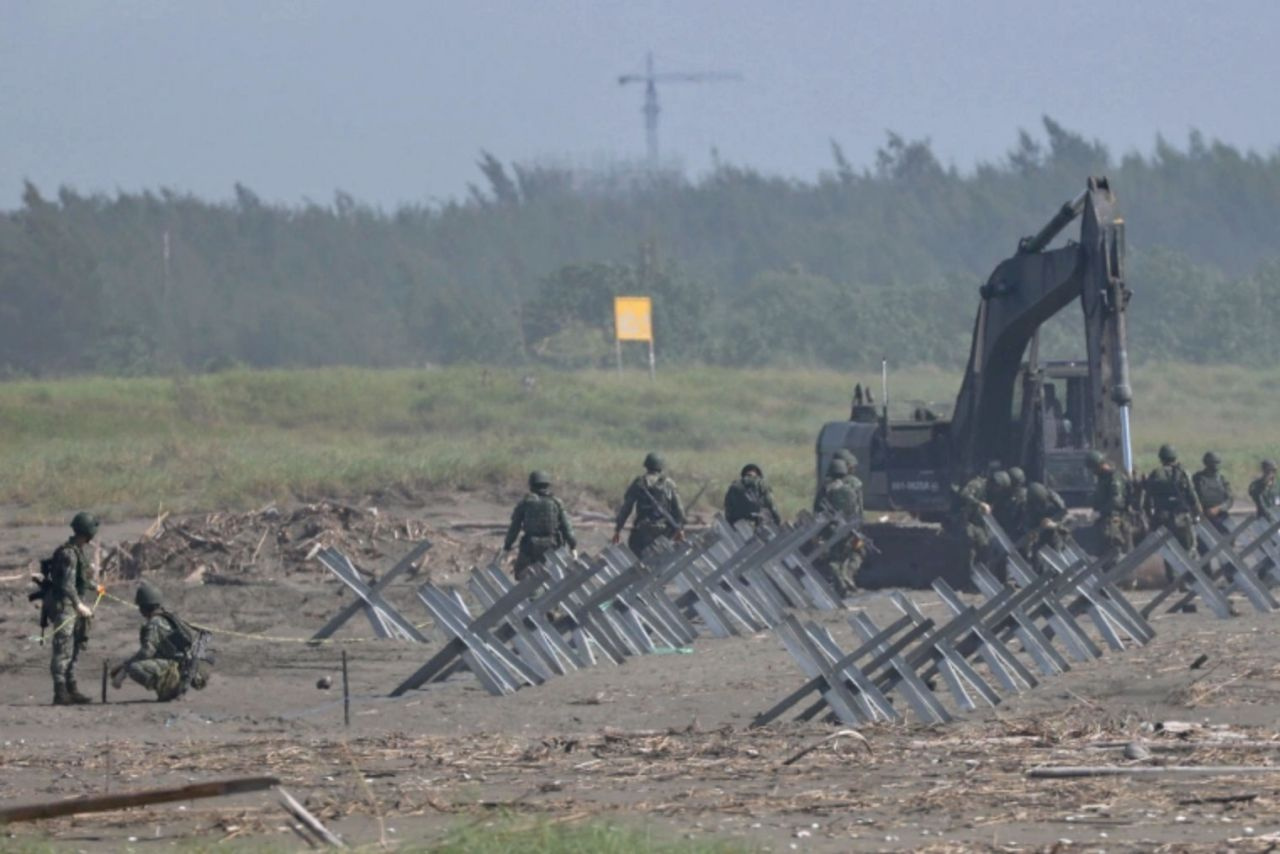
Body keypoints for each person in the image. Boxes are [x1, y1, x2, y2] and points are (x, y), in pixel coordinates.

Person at [111, 582, 209, 702]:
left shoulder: (154, 623)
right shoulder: (169, 617)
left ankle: (168, 690)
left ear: (144, 606)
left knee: (133, 667)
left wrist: (124, 668)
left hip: (176, 666)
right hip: (182, 666)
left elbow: (147, 652)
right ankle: (173, 687)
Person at [42, 512, 99, 705]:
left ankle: (71, 688)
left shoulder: (77, 551)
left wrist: (94, 587)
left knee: (75, 647)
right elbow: (67, 584)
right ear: (88, 532)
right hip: (64, 607)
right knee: (63, 649)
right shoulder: (68, 553)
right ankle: (60, 692)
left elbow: (79, 578)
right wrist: (79, 605)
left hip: (73, 607)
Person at [503, 470, 577, 580]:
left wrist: (507, 546)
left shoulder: (525, 503)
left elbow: (515, 527)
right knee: (556, 575)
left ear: (531, 484)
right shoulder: (556, 502)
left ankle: (532, 595)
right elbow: (566, 527)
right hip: (553, 545)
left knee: (522, 574)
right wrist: (573, 545)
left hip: (530, 546)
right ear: (548, 485)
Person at [613, 452, 685, 557]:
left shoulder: (639, 482)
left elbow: (626, 508)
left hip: (642, 530)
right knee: (661, 560)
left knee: (638, 559)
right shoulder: (669, 484)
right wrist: (680, 529)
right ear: (661, 467)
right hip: (664, 531)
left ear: (646, 465)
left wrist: (618, 529)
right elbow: (679, 510)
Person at [812, 458, 865, 594]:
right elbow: (858, 509)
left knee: (833, 558)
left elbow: (817, 509)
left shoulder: (826, 487)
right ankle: (847, 576)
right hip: (849, 528)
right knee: (856, 553)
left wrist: (818, 533)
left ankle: (841, 582)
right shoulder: (852, 487)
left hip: (831, 529)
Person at [1142, 444, 1203, 558]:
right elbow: (1192, 495)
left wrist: (1151, 518)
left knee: (1168, 551)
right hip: (1181, 517)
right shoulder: (1183, 473)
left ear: (1161, 458)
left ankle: (1172, 574)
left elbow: (1147, 498)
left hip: (1162, 516)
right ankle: (1190, 573)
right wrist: (1197, 512)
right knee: (1190, 548)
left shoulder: (1155, 474)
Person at [954, 469, 1011, 571]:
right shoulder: (977, 484)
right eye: (998, 487)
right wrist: (979, 504)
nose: (999, 490)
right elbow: (964, 494)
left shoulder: (993, 494)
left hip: (980, 524)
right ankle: (969, 577)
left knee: (985, 547)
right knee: (969, 546)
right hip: (966, 521)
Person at [1085, 451, 1133, 555]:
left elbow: (1117, 501)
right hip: (1105, 521)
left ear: (1099, 466)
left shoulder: (1114, 477)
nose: (1093, 472)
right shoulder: (1103, 479)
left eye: (1093, 468)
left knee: (1117, 554)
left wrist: (1101, 512)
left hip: (1115, 522)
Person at [1022, 482, 1069, 565]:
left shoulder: (1053, 504)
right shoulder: (1030, 507)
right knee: (1037, 560)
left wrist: (1054, 525)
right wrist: (1031, 532)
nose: (1038, 506)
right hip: (1040, 538)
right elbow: (1028, 523)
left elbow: (1064, 515)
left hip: (1056, 535)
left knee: (1058, 559)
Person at [723, 463, 782, 529]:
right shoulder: (761, 483)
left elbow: (727, 508)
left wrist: (730, 524)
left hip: (737, 524)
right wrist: (778, 521)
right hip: (756, 522)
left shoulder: (734, 486)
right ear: (758, 474)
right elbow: (771, 504)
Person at [1193, 451, 1234, 533]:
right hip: (1203, 516)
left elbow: (1230, 499)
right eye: (1213, 463)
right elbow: (1191, 496)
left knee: (1230, 533)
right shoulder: (1198, 479)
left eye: (1218, 462)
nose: (1216, 465)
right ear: (1207, 463)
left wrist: (1218, 509)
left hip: (1221, 515)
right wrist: (1199, 510)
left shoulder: (1222, 479)